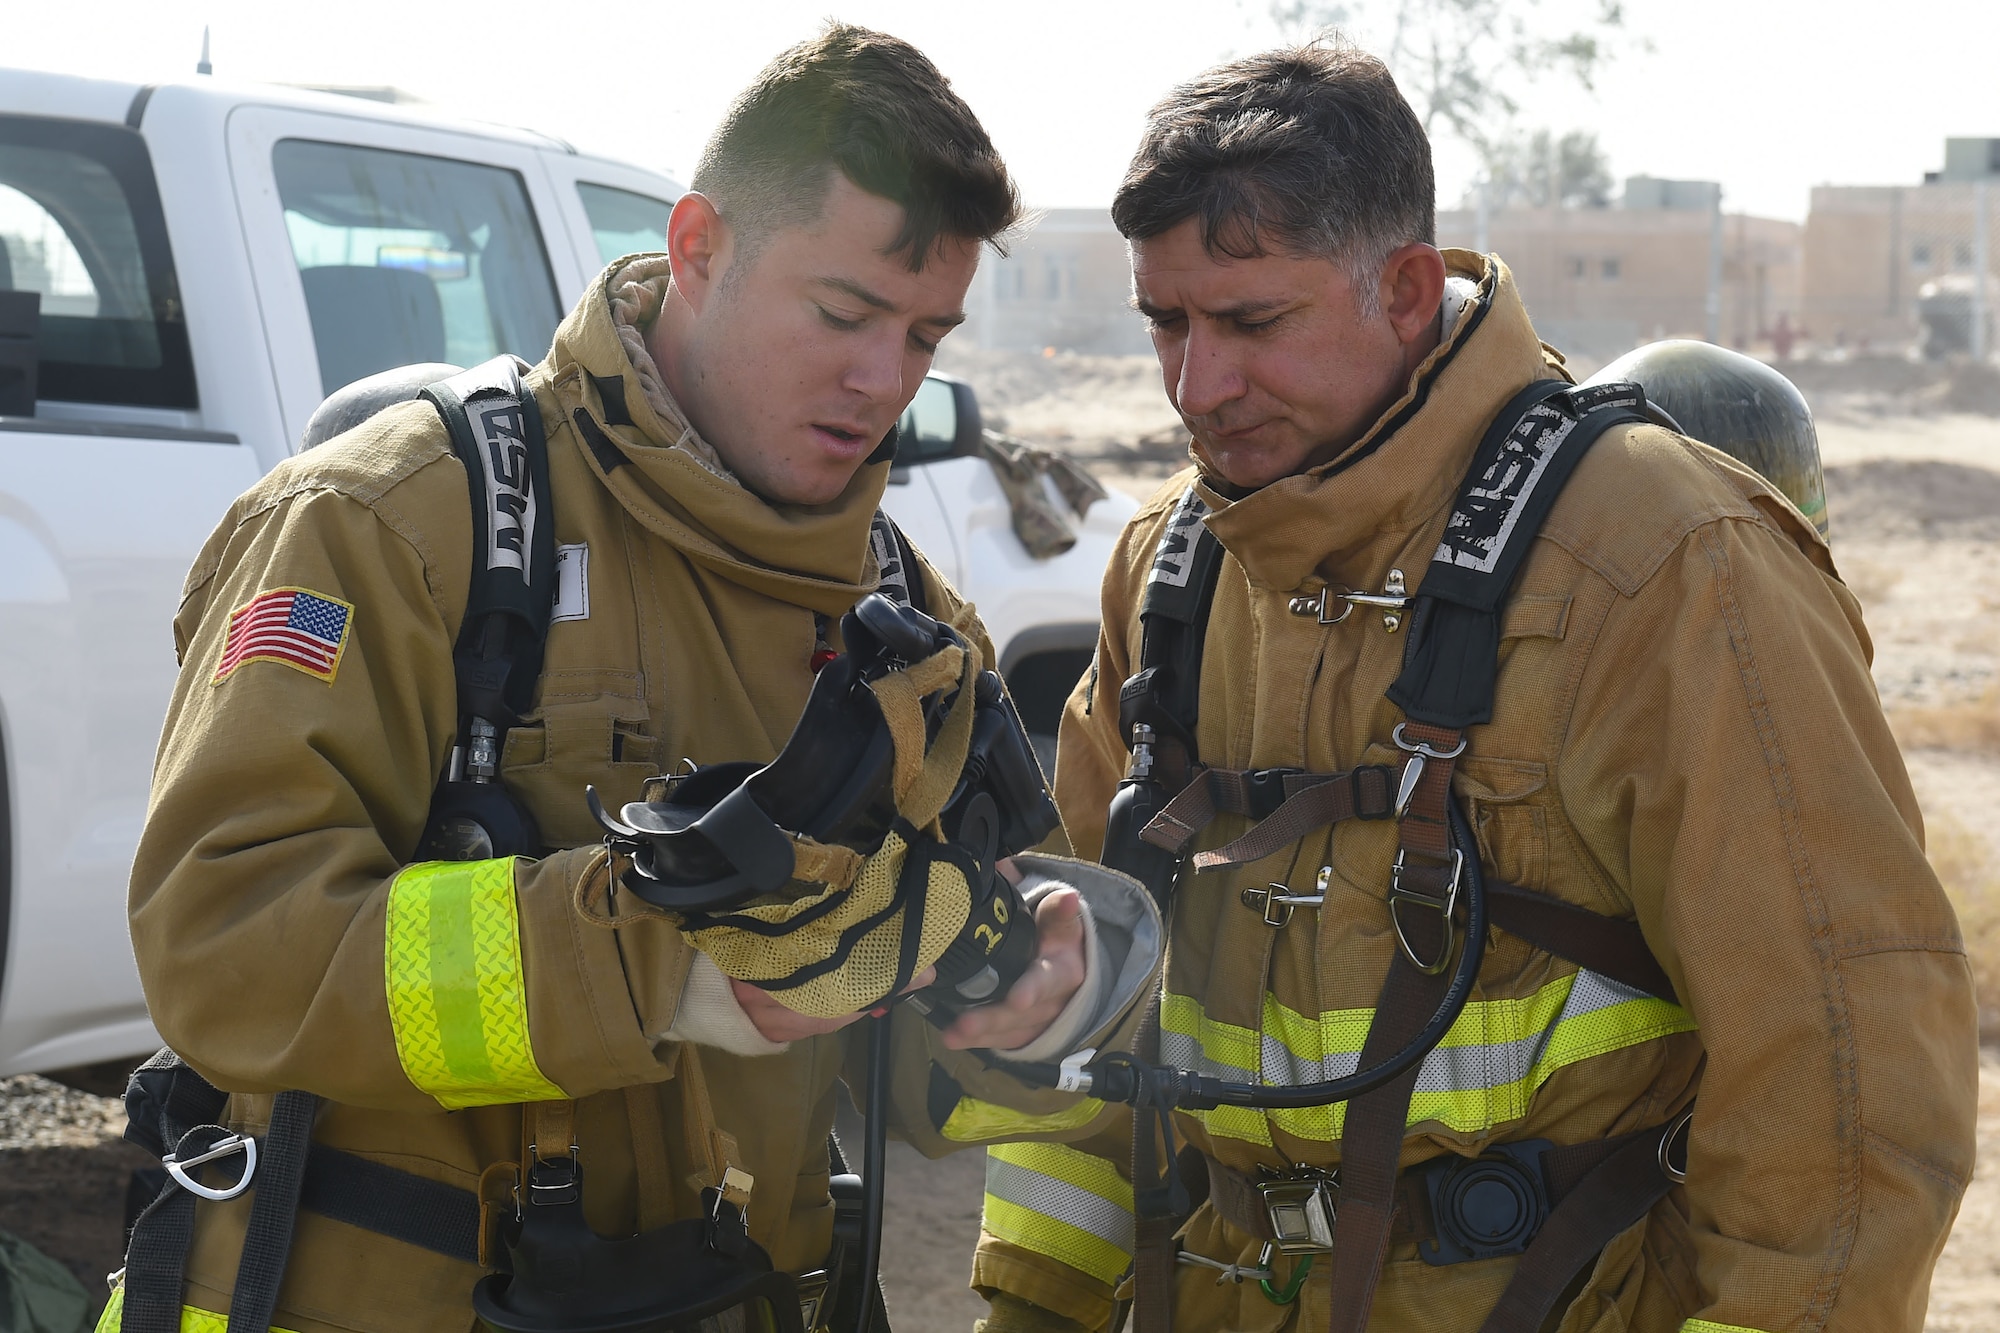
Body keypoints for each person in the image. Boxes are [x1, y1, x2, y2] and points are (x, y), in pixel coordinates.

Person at [119, 25, 1147, 1333]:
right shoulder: (389, 525)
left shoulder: (901, 620)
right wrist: (658, 964)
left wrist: (1007, 1001)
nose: (882, 380)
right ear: (698, 244)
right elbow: (223, 951)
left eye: (925, 336)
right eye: (842, 314)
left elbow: (918, 1083)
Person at [971, 41, 1977, 1333]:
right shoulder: (1170, 572)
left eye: (1250, 321)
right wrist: (1030, 1308)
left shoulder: (1663, 561)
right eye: (1166, 321)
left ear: (1403, 287)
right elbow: (1086, 1025)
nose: (1193, 384)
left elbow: (1847, 1077)